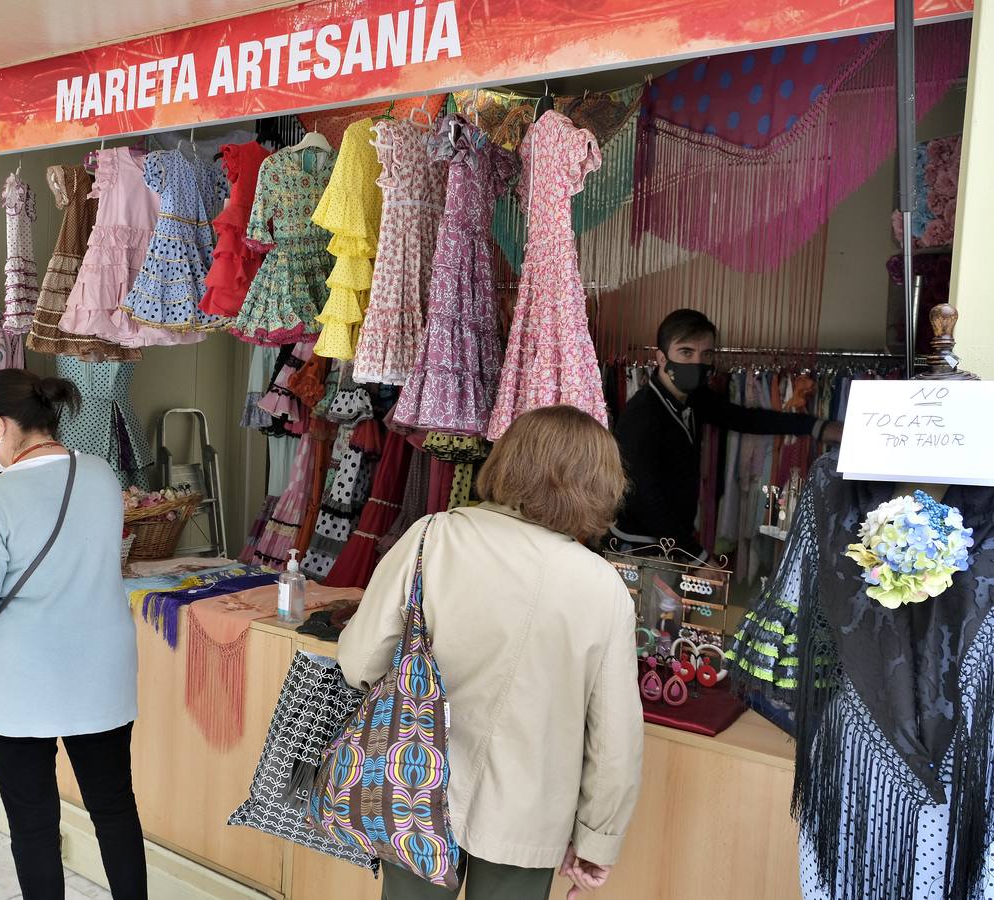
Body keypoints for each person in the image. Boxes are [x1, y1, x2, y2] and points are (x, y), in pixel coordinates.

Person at [339, 405, 644, 900]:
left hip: (416, 787)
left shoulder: (431, 538)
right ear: (601, 485)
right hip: (528, 813)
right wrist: (597, 840)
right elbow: (614, 737)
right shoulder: (602, 587)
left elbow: (359, 661)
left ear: (506, 461)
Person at [0, 368, 144, 900]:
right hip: (103, 674)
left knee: (34, 824)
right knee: (114, 809)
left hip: (23, 683)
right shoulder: (101, 475)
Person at [612, 309, 842, 559]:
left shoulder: (694, 398)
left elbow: (746, 418)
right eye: (686, 352)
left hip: (670, 543)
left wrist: (817, 427)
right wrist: (697, 556)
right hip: (640, 547)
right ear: (662, 357)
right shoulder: (643, 413)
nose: (696, 363)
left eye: (706, 354)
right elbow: (643, 497)